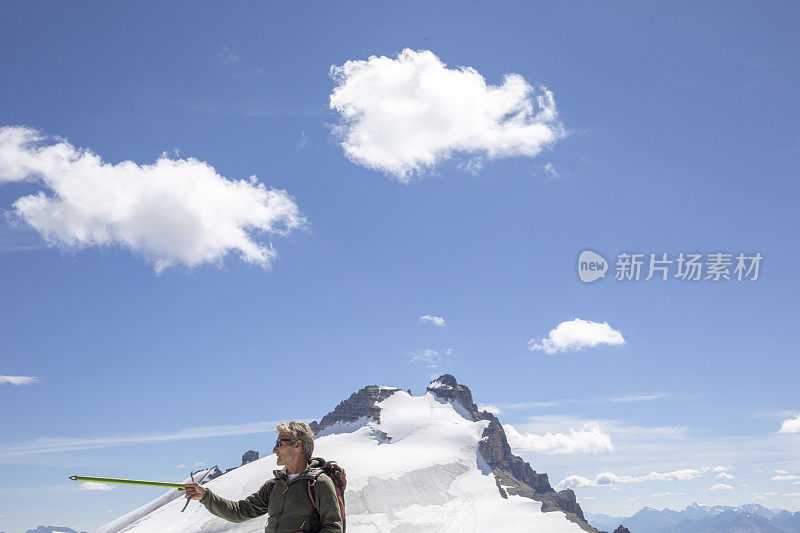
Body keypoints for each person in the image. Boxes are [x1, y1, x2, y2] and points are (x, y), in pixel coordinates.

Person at [182, 420, 342, 533]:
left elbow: (333, 528)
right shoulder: (274, 486)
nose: (274, 449)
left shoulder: (319, 483)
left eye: (279, 443)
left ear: (298, 445)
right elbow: (239, 512)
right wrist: (205, 496)